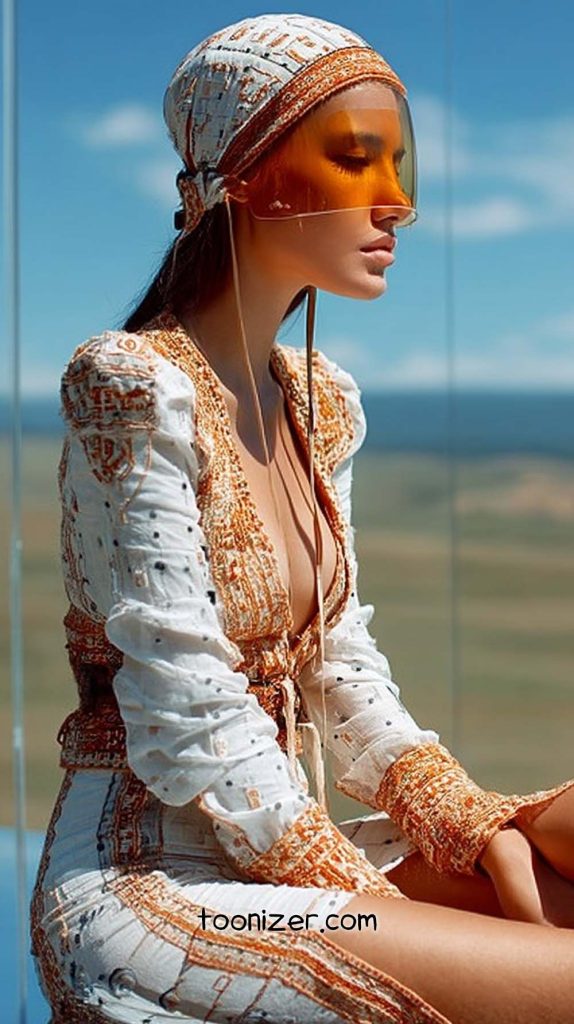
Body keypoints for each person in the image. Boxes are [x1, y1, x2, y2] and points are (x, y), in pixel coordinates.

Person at [30, 13, 574, 1024]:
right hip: (153, 883)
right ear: (245, 175)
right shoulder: (130, 385)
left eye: (399, 164)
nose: (396, 201)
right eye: (355, 160)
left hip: (279, 861)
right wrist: (370, 900)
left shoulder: (322, 401)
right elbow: (190, 714)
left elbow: (337, 663)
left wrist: (467, 820)